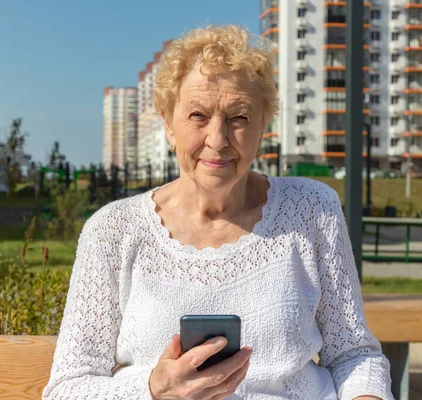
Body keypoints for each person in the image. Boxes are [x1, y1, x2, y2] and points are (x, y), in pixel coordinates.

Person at [42, 25, 392, 399]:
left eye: (239, 118)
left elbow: (354, 355)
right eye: (197, 115)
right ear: (168, 123)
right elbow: (68, 387)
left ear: (262, 126)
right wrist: (153, 391)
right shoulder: (113, 230)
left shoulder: (312, 211)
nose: (217, 139)